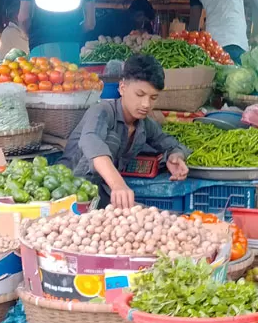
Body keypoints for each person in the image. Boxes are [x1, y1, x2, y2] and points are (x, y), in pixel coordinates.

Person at [59, 54, 190, 208]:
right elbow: (92, 144)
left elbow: (172, 144)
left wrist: (175, 157)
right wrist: (118, 185)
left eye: (153, 97)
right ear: (122, 88)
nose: (146, 104)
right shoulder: (102, 111)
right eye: (140, 95)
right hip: (66, 194)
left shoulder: (144, 124)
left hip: (101, 196)